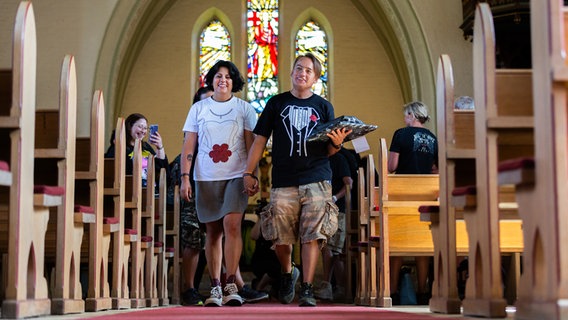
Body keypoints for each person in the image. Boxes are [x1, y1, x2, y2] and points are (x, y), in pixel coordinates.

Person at [243, 53, 352, 307]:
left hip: (317, 176)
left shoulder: (323, 106)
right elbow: (260, 139)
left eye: (309, 71)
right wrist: (248, 172)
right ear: (292, 72)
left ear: (315, 79)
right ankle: (288, 272)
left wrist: (337, 144)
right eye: (298, 68)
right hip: (284, 179)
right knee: (280, 238)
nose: (302, 73)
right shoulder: (276, 103)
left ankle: (307, 288)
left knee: (311, 235)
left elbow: (330, 150)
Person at [180, 60, 257, 307]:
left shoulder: (244, 109)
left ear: (234, 82)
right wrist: (185, 177)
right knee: (213, 232)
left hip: (236, 174)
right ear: (211, 80)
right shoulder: (199, 109)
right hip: (206, 176)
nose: (222, 80)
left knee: (232, 225)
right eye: (218, 76)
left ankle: (231, 282)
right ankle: (215, 286)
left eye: (228, 76)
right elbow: (189, 145)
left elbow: (251, 143)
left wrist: (250, 173)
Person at [387, 101, 438, 305]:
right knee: (421, 244)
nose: (404, 118)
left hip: (402, 194)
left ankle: (392, 292)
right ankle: (423, 291)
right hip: (426, 195)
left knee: (398, 243)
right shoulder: (434, 138)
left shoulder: (401, 134)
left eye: (406, 115)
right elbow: (436, 169)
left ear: (411, 114)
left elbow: (392, 166)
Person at [170, 86, 214, 306]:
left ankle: (225, 286)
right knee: (193, 240)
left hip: (214, 186)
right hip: (194, 188)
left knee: (218, 239)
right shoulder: (194, 123)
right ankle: (189, 288)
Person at [314, 151, 352, 302]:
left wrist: (335, 197)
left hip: (337, 210)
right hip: (322, 208)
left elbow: (349, 183)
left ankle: (332, 287)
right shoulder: (320, 157)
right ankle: (335, 288)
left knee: (332, 250)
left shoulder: (339, 158)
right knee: (329, 250)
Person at [105, 113, 170, 191]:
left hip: (151, 190)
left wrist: (160, 147)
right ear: (130, 127)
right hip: (130, 189)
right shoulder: (119, 146)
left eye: (145, 128)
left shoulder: (146, 147)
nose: (143, 131)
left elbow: (161, 167)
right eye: (140, 127)